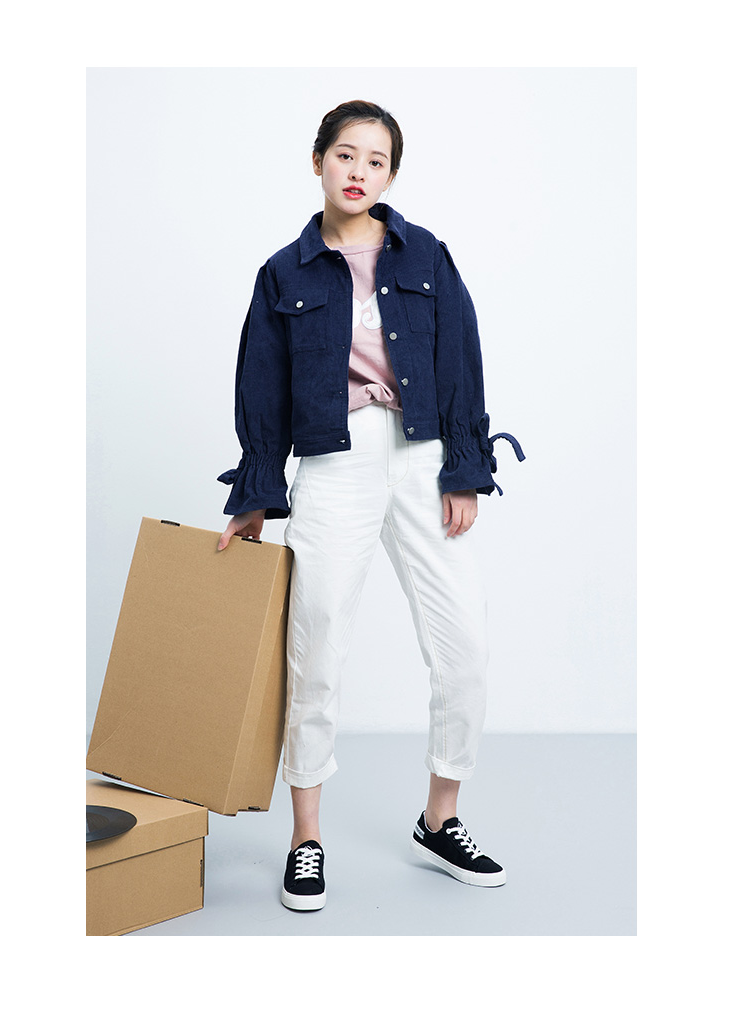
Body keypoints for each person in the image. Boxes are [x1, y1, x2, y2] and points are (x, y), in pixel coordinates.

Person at [217, 100, 524, 912]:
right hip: (333, 461)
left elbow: (460, 358)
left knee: (465, 646)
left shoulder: (425, 254)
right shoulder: (284, 273)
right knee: (315, 650)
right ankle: (306, 838)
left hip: (422, 456)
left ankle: (440, 818)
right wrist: (257, 492)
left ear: (391, 174)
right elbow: (260, 383)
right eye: (345, 154)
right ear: (318, 159)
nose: (359, 171)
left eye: (376, 160)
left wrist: (465, 467)